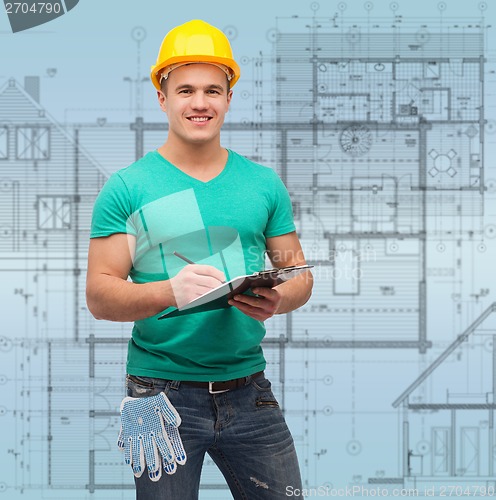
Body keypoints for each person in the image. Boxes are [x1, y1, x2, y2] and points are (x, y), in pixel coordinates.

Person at [86, 19, 313, 499]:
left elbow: (299, 274)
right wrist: (171, 292)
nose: (200, 102)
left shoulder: (263, 184)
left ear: (229, 98)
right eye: (185, 89)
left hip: (250, 390)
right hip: (159, 394)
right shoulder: (128, 188)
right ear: (162, 96)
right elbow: (100, 295)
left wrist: (278, 298)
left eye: (213, 89)